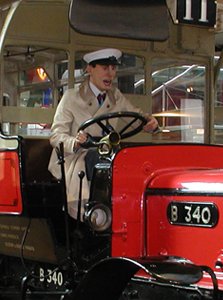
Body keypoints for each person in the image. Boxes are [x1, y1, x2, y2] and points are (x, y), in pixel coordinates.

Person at [48, 48, 159, 219]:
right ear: (90, 69)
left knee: (128, 159)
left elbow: (135, 116)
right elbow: (56, 136)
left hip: (105, 154)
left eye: (113, 69)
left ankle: (133, 209)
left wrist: (149, 122)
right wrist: (76, 142)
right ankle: (98, 214)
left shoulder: (116, 96)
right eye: (105, 68)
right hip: (76, 157)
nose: (110, 74)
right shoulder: (71, 97)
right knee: (102, 160)